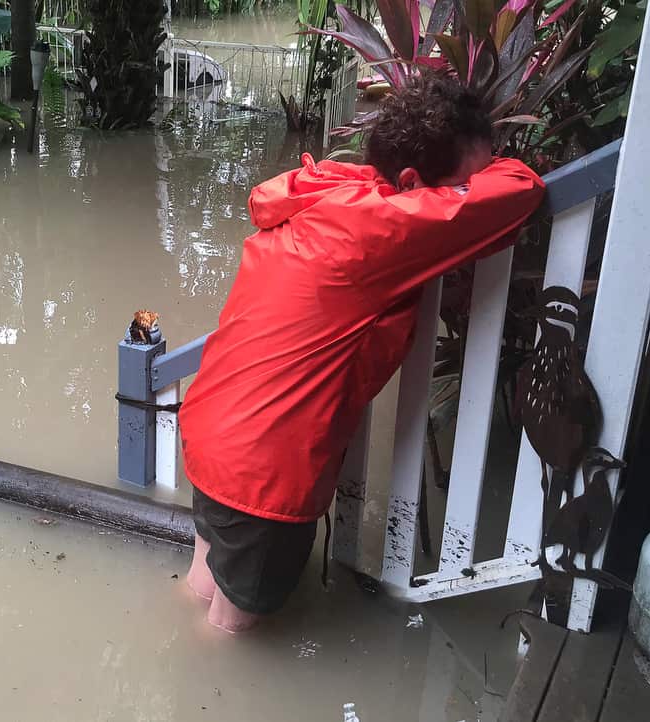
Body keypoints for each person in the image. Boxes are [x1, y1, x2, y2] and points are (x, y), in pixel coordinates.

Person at [179, 73, 546, 632]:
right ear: (412, 181)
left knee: (202, 587)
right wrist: (477, 182)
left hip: (211, 431)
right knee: (232, 636)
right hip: (264, 471)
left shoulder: (331, 194)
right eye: (466, 180)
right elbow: (521, 187)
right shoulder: (382, 228)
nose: (473, 186)